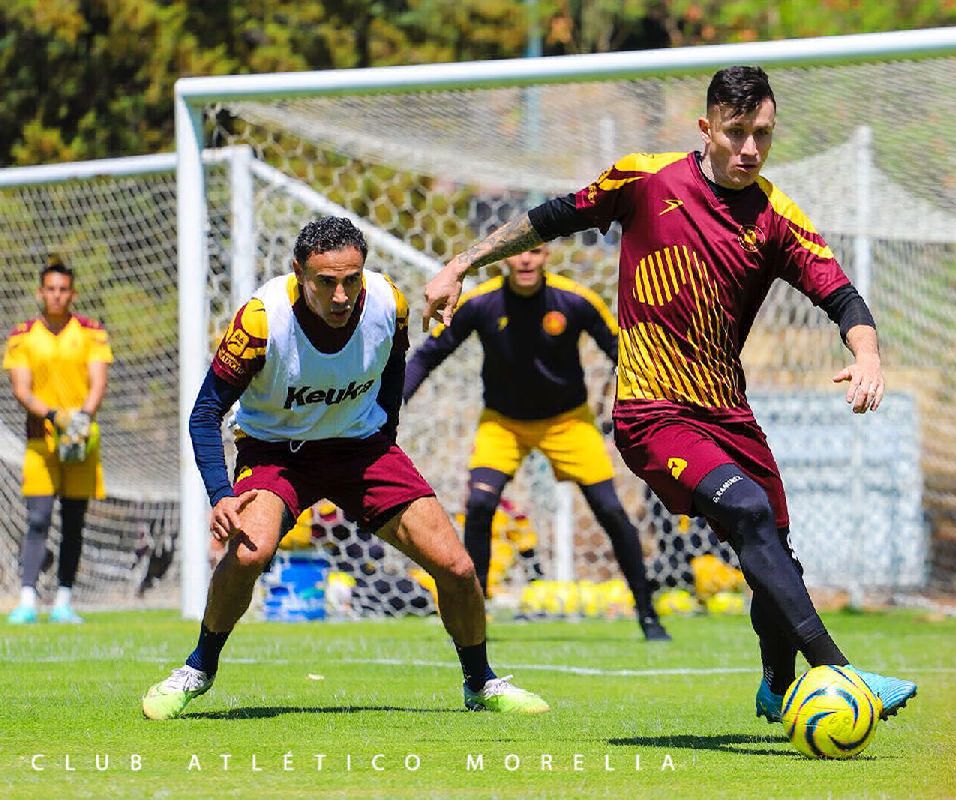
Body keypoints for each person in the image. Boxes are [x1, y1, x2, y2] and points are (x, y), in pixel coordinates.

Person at [423, 66, 917, 722]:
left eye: (762, 135)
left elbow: (841, 295)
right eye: (737, 133)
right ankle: (841, 673)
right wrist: (459, 265)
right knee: (745, 513)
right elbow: (547, 219)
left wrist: (867, 354)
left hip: (729, 414)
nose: (750, 149)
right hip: (651, 412)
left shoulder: (776, 217)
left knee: (774, 552)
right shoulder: (645, 179)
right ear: (706, 128)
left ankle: (776, 685)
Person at [141, 216, 548, 720]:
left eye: (351, 279)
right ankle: (198, 669)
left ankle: (480, 682)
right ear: (299, 273)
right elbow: (205, 414)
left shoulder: (388, 302)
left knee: (458, 567)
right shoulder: (260, 320)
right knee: (249, 555)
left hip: (361, 448)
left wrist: (385, 440)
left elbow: (394, 368)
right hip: (276, 452)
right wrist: (221, 494)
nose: (341, 295)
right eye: (326, 282)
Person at [403, 244, 670, 641]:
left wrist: (649, 400)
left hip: (569, 423)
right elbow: (429, 355)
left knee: (611, 510)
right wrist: (394, 402)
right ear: (505, 259)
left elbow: (621, 352)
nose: (526, 260)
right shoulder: (480, 304)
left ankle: (648, 616)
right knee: (479, 505)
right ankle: (476, 615)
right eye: (518, 254)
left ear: (547, 257)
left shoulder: (575, 300)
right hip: (503, 425)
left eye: (536, 251)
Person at [4, 256, 112, 625]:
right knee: (38, 518)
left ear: (72, 293)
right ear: (40, 292)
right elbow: (21, 389)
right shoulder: (22, 336)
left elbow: (98, 381)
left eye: (63, 289)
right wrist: (54, 416)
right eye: (50, 289)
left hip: (81, 441)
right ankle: (28, 598)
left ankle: (64, 600)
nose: (57, 296)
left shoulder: (91, 332)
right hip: (40, 440)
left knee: (74, 520)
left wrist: (80, 418)